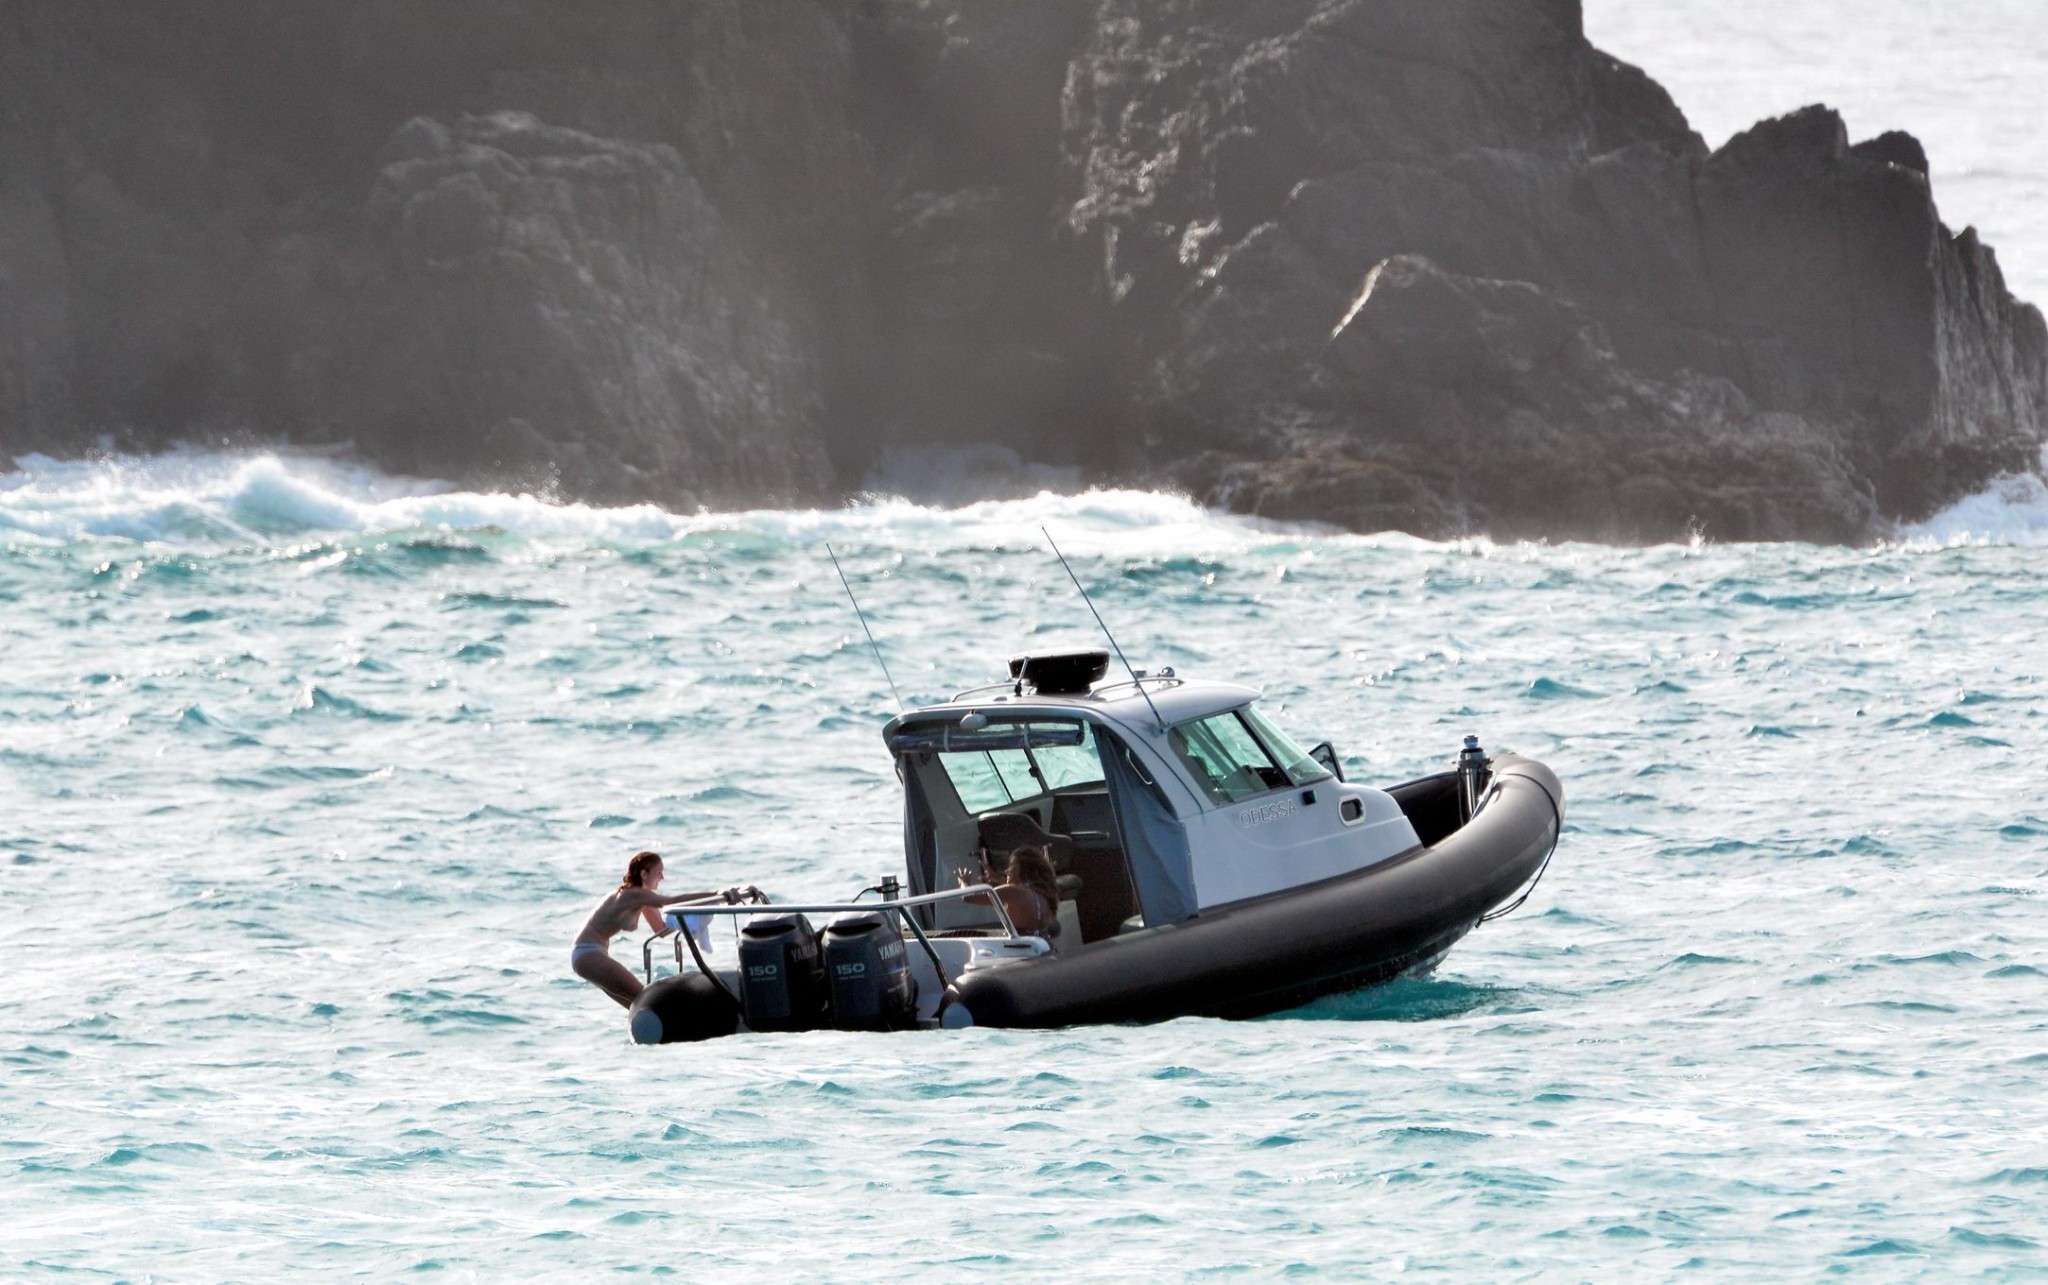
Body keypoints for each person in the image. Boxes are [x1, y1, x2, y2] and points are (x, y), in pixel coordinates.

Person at [571, 851, 750, 1009]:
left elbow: (662, 929)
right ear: (644, 874)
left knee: (637, 1007)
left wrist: (696, 921)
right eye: (658, 872)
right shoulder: (632, 894)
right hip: (588, 954)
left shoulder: (641, 899)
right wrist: (717, 895)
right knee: (645, 999)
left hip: (591, 955)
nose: (662, 877)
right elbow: (671, 902)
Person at [957, 845, 1062, 941]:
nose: (1006, 871)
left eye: (1011, 865)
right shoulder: (1042, 894)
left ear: (1022, 868)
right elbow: (1019, 889)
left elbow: (968, 897)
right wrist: (998, 879)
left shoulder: (1012, 892)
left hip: (1020, 949)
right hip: (1043, 946)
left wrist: (963, 882)